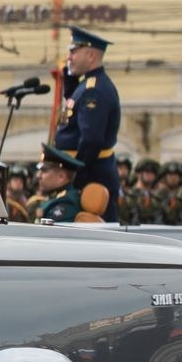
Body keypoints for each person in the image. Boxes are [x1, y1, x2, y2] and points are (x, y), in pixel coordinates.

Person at [53, 27, 122, 223]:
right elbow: (74, 109)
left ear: (90, 54)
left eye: (74, 52)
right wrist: (70, 77)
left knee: (94, 235)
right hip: (92, 172)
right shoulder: (87, 85)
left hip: (91, 176)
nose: (69, 57)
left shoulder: (95, 91)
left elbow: (91, 140)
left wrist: (76, 175)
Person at [33, 144, 110, 224]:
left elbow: (50, 234)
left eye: (44, 171)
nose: (39, 175)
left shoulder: (66, 205)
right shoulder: (56, 198)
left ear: (61, 177)